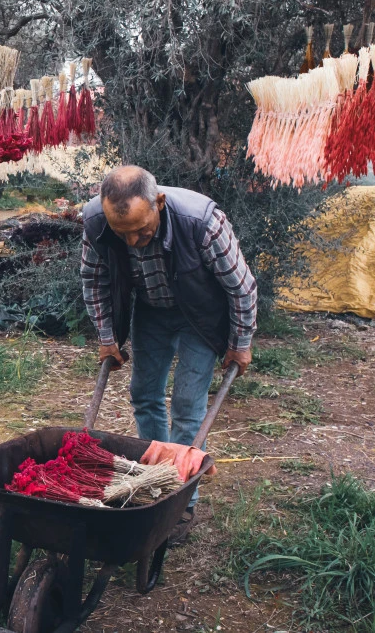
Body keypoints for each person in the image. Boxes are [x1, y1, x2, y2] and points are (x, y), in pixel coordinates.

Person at [80, 165, 256, 543]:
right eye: (121, 233)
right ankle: (151, 482)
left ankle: (180, 501)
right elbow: (94, 279)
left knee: (188, 405)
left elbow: (242, 288)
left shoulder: (202, 221)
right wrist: (107, 336)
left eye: (141, 230)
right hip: (151, 310)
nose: (131, 242)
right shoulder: (96, 220)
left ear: (159, 202)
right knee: (144, 395)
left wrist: (240, 344)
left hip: (200, 315)